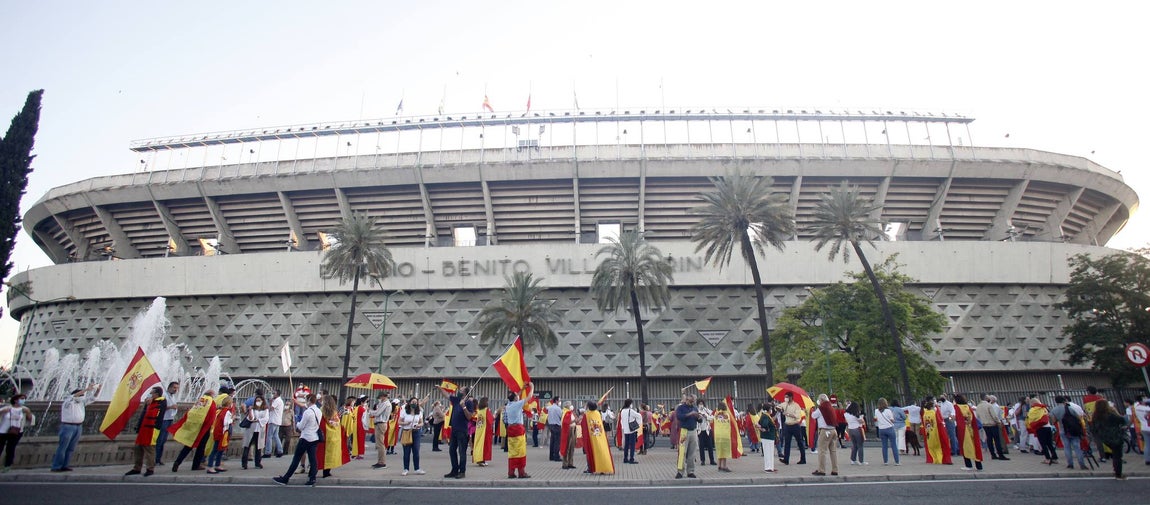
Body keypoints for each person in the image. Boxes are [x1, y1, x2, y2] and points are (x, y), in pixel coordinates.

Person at [51, 383, 101, 472]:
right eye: (81, 395)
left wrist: (98, 390)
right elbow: (74, 396)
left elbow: (93, 398)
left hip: (78, 427)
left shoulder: (81, 402)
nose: (82, 396)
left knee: (70, 448)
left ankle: (65, 465)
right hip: (67, 426)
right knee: (63, 447)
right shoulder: (68, 401)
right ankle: (56, 466)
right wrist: (87, 389)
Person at [273, 393, 319, 486]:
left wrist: (297, 423)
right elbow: (304, 405)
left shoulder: (308, 412)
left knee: (296, 458)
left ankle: (286, 478)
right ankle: (312, 478)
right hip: (314, 437)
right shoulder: (318, 411)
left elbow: (301, 426)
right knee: (313, 459)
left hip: (306, 437)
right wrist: (295, 401)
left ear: (309, 400)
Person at [170, 389, 217, 472]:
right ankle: (196, 465)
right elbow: (212, 416)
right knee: (201, 447)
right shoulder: (211, 403)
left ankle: (178, 461)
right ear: (211, 395)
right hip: (204, 428)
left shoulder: (200, 401)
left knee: (188, 445)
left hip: (194, 426)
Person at [126, 386, 166, 476]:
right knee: (138, 447)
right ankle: (137, 468)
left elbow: (162, 405)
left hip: (152, 429)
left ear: (157, 394)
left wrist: (153, 401)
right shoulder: (149, 402)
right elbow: (143, 414)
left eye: (152, 393)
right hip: (143, 428)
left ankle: (150, 469)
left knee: (149, 449)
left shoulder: (161, 401)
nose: (150, 395)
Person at [1090, 400, 1129, 479]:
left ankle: (1116, 471)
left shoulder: (1095, 416)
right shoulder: (1111, 415)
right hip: (1115, 437)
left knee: (1115, 455)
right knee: (1117, 456)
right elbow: (1123, 420)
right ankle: (1118, 474)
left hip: (1104, 438)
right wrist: (1115, 411)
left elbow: (1093, 428)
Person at [444, 384, 474, 478]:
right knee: (452, 450)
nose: (459, 392)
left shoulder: (468, 402)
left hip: (462, 430)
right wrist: (440, 388)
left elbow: (469, 417)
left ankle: (462, 471)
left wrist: (464, 407)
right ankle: (454, 470)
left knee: (462, 452)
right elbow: (447, 396)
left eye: (461, 391)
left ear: (465, 393)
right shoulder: (456, 400)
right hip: (454, 429)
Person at [1049, 395, 1087, 470]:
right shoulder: (1069, 408)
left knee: (1066, 447)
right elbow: (1078, 417)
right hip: (1073, 430)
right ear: (1064, 400)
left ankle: (1070, 464)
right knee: (1077, 447)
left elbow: (1053, 421)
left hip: (1063, 430)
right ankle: (1082, 464)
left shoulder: (1054, 410)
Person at [503, 383, 533, 478]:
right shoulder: (517, 405)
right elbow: (529, 397)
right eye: (517, 395)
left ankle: (511, 472)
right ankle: (521, 472)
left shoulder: (508, 405)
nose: (518, 396)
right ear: (515, 398)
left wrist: (522, 389)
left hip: (511, 430)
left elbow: (514, 397)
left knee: (512, 452)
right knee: (520, 451)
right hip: (518, 430)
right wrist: (532, 387)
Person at [317, 394, 349, 478]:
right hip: (334, 435)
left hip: (325, 434)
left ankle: (313, 470)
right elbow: (337, 423)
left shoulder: (321, 410)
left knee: (320, 453)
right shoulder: (334, 412)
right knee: (331, 454)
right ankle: (326, 472)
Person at [0, 394, 34, 471]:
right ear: (15, 400)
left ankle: (7, 465)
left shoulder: (25, 409)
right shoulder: (6, 408)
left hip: (16, 431)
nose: (23, 400)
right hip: (3, 431)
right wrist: (2, 411)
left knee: (11, 448)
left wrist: (29, 413)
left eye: (24, 399)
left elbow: (30, 420)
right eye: (22, 398)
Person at [809, 394, 839, 476]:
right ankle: (835, 469)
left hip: (825, 431)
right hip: (833, 430)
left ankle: (821, 470)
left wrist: (813, 410)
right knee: (833, 451)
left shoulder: (821, 408)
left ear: (821, 400)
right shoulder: (831, 408)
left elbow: (813, 416)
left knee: (822, 451)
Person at [674, 394, 702, 479]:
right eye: (691, 400)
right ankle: (680, 471)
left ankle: (690, 471)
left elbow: (699, 420)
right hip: (684, 431)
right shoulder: (681, 408)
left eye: (693, 401)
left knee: (692, 453)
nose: (692, 402)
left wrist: (699, 417)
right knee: (682, 451)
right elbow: (679, 417)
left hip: (693, 431)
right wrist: (690, 414)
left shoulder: (695, 408)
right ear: (687, 399)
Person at [954, 394, 983, 471]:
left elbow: (957, 418)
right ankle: (979, 465)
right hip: (971, 429)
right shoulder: (968, 407)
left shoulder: (957, 407)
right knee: (975, 446)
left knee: (965, 446)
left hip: (963, 430)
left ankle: (968, 465)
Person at [205, 396, 234, 474]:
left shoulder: (220, 411)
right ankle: (211, 466)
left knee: (219, 449)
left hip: (218, 431)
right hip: (223, 432)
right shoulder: (227, 412)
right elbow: (226, 422)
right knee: (217, 449)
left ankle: (217, 465)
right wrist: (232, 419)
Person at [240, 392, 269, 469]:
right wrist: (250, 411)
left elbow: (266, 419)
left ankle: (257, 463)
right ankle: (244, 463)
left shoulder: (265, 409)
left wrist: (258, 420)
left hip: (260, 429)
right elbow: (251, 418)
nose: (258, 402)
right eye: (257, 400)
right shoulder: (252, 409)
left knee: (258, 447)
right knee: (247, 446)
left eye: (259, 400)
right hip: (251, 429)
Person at [975, 394, 1008, 460]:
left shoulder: (978, 406)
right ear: (986, 398)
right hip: (992, 424)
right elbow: (994, 415)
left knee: (989, 440)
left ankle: (993, 454)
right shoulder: (989, 405)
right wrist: (998, 422)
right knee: (997, 440)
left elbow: (977, 416)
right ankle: (1000, 454)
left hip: (985, 425)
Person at [399, 396, 426, 476]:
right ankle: (406, 468)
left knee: (416, 451)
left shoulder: (419, 412)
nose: (414, 403)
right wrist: (405, 423)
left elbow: (422, 422)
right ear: (409, 402)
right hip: (407, 431)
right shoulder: (404, 411)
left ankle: (417, 468)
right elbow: (399, 422)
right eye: (413, 402)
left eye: (416, 402)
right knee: (406, 452)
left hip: (416, 432)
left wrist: (419, 425)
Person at [1026, 397, 1058, 465]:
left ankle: (1047, 458)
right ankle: (1054, 458)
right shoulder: (1043, 408)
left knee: (1043, 444)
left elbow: (1031, 419)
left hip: (1040, 428)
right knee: (1050, 444)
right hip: (1048, 427)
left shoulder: (1032, 410)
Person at [920, 397, 952, 464]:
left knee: (931, 447)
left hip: (928, 432)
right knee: (939, 446)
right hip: (936, 432)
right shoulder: (934, 413)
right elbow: (940, 421)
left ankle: (934, 459)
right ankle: (940, 459)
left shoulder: (924, 413)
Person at [779, 392, 807, 465]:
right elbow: (779, 407)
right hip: (787, 425)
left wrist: (787, 414)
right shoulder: (785, 404)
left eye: (787, 397)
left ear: (791, 397)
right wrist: (779, 409)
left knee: (800, 442)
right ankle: (786, 459)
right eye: (785, 397)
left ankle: (803, 459)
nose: (786, 398)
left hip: (795, 425)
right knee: (787, 443)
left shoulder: (796, 405)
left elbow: (797, 416)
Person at [712, 400, 740, 473]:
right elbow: (728, 420)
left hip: (717, 436)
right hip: (725, 435)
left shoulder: (715, 414)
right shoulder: (727, 415)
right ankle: (724, 466)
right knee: (725, 451)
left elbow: (712, 421)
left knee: (719, 451)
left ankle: (719, 465)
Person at [155, 381, 178, 465]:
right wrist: (170, 407)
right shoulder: (164, 395)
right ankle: (155, 459)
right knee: (160, 439)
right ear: (170, 387)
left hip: (169, 419)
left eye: (177, 388)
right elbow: (159, 407)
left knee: (163, 440)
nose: (176, 390)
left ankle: (158, 458)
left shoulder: (172, 397)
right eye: (174, 388)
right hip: (163, 419)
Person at [369, 391, 392, 469]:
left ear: (383, 396)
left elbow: (378, 413)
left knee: (380, 444)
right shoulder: (382, 403)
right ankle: (380, 461)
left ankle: (382, 462)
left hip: (381, 423)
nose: (380, 399)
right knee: (379, 443)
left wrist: (370, 411)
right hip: (379, 423)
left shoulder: (386, 404)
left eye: (380, 397)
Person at [873, 398, 899, 466]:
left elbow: (875, 419)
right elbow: (892, 420)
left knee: (884, 446)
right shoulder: (888, 411)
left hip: (881, 429)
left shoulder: (876, 411)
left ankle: (885, 461)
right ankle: (897, 461)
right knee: (894, 445)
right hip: (889, 428)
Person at [472, 396, 494, 467]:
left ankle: (481, 460)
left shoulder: (479, 411)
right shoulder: (486, 410)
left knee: (479, 445)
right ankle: (481, 460)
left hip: (479, 429)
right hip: (485, 430)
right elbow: (491, 420)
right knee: (484, 446)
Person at [619, 398, 641, 465]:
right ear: (630, 404)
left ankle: (625, 458)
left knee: (626, 445)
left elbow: (621, 420)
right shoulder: (631, 411)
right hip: (631, 430)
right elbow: (639, 416)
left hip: (625, 430)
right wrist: (637, 423)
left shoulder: (622, 411)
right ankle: (631, 459)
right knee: (632, 445)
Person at [264, 389, 285, 458]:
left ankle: (268, 452)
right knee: (275, 436)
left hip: (273, 420)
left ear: (277, 394)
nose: (273, 394)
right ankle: (280, 450)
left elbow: (271, 408)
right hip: (277, 420)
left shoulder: (277, 400)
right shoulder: (280, 401)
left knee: (269, 436)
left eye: (274, 393)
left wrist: (269, 402)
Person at [758, 402, 779, 472]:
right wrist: (765, 428)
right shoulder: (765, 416)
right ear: (768, 409)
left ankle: (771, 467)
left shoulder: (767, 416)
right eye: (771, 409)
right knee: (767, 452)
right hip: (767, 436)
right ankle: (767, 467)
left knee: (770, 452)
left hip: (770, 436)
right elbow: (764, 424)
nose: (771, 410)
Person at [844, 401, 866, 466]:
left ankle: (853, 459)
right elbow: (861, 421)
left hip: (850, 429)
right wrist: (861, 417)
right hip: (857, 429)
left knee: (854, 445)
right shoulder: (856, 414)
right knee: (860, 445)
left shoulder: (846, 414)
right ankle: (861, 461)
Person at [696, 398, 716, 466]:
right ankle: (703, 460)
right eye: (699, 404)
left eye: (702, 403)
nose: (701, 405)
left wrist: (706, 416)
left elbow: (713, 417)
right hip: (700, 430)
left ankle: (712, 460)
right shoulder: (696, 411)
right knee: (701, 446)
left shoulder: (707, 410)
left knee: (710, 446)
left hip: (707, 430)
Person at [560, 401, 579, 469]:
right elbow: (566, 422)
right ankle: (565, 463)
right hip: (568, 430)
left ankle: (570, 463)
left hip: (573, 429)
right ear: (567, 406)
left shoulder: (571, 412)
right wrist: (574, 421)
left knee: (572, 447)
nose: (571, 406)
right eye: (570, 405)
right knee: (567, 447)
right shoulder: (566, 412)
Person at [547, 397, 563, 462]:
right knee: (557, 441)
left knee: (552, 441)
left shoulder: (549, 408)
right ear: (556, 401)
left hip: (551, 425)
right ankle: (556, 456)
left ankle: (551, 456)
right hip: (557, 425)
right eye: (559, 400)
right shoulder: (558, 408)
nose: (560, 402)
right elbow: (561, 416)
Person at [1135, 397, 1150, 465]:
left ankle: (1147, 459)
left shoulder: (1137, 408)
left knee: (1147, 444)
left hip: (1143, 427)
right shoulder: (1148, 409)